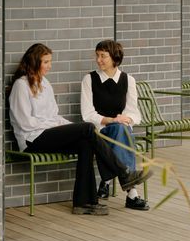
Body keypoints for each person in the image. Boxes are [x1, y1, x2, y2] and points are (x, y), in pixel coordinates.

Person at [8, 43, 148, 216]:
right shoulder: (21, 86)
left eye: (50, 62)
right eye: (46, 62)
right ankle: (124, 173)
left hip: (47, 134)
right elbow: (25, 123)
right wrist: (61, 127)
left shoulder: (45, 83)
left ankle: (84, 203)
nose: (49, 66)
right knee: (87, 128)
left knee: (85, 143)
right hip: (32, 139)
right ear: (34, 62)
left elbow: (55, 116)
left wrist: (67, 126)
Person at [80, 40, 149, 211]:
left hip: (121, 129)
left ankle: (106, 180)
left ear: (114, 58)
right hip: (100, 130)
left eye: (103, 56)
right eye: (97, 56)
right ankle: (132, 193)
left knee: (121, 129)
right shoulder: (89, 79)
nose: (98, 60)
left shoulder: (128, 80)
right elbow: (87, 114)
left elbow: (134, 114)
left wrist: (123, 118)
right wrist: (111, 120)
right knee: (120, 130)